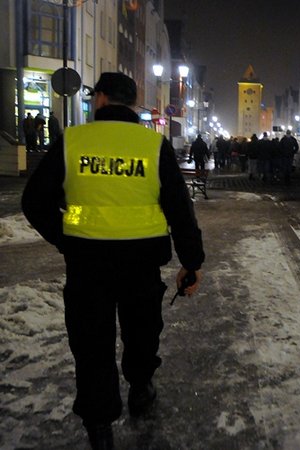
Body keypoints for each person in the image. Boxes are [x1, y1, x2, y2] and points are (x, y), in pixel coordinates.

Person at [21, 72, 205, 449]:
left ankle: (100, 426)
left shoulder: (72, 141)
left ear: (101, 99)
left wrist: (67, 234)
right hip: (141, 262)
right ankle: (140, 389)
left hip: (87, 263)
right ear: (133, 103)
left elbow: (34, 201)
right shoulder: (153, 146)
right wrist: (191, 261)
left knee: (91, 344)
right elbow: (179, 209)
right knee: (142, 330)